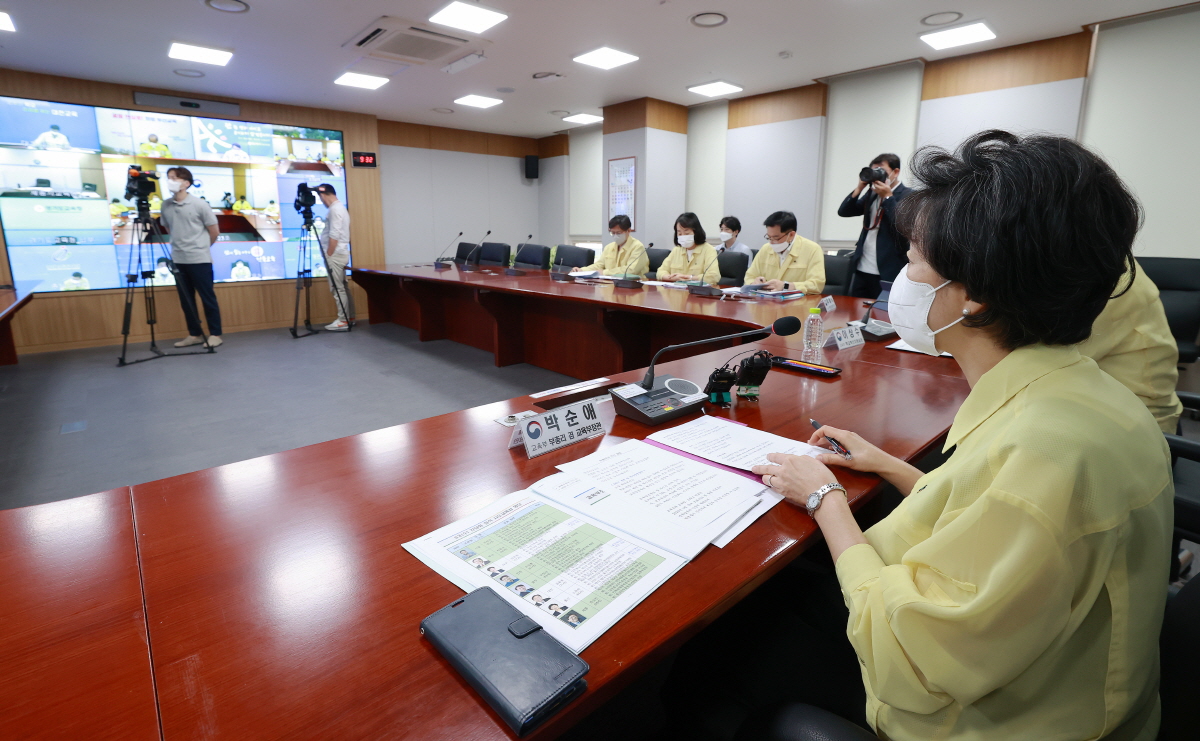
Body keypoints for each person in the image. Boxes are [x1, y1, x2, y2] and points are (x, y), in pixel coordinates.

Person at [666, 131, 1173, 741]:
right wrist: (890, 465)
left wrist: (825, 497)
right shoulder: (1077, 395)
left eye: (912, 263)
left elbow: (909, 662)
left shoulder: (1048, 455)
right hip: (1045, 674)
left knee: (710, 661)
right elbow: (982, 513)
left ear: (976, 298)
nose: (900, 282)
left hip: (977, 717)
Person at [1078, 266, 1182, 433]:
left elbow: (1048, 361)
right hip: (1098, 416)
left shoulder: (1111, 283)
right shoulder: (1104, 265)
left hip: (1139, 434)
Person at [159, 166, 223, 348]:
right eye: (168, 177)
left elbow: (214, 231)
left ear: (186, 183)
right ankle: (194, 334)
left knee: (207, 298)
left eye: (174, 178)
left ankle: (215, 334)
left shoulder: (199, 204)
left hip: (199, 259)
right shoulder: (166, 205)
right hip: (178, 259)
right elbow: (168, 228)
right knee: (186, 300)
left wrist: (202, 247)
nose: (170, 181)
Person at [838, 153, 911, 297]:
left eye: (880, 170)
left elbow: (903, 224)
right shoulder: (872, 194)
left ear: (895, 172)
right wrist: (859, 188)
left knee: (881, 314)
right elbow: (844, 211)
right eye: (874, 171)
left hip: (888, 269)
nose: (876, 175)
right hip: (862, 266)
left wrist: (888, 197)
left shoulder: (908, 195)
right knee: (855, 312)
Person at [744, 211, 824, 293]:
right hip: (767, 302)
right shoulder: (765, 249)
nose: (771, 242)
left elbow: (817, 284)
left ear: (791, 235)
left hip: (798, 303)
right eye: (769, 237)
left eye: (776, 238)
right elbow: (750, 276)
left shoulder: (812, 249)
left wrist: (786, 286)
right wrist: (754, 283)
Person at [315, 183, 355, 331]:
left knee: (337, 288)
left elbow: (334, 234)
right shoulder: (339, 208)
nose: (321, 202)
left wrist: (329, 253)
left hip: (335, 254)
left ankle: (343, 321)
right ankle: (349, 317)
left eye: (320, 198)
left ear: (324, 195)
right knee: (342, 287)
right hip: (340, 253)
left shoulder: (335, 209)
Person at [657, 212, 720, 284]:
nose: (683, 236)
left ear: (696, 232)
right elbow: (660, 271)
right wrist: (672, 278)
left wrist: (689, 278)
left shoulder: (708, 250)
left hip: (696, 293)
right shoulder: (676, 250)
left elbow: (713, 277)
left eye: (687, 233)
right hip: (676, 292)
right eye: (679, 233)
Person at [581, 215, 648, 277]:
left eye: (619, 233)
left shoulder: (637, 247)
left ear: (629, 230)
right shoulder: (609, 247)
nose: (615, 236)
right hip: (610, 284)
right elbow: (599, 265)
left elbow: (631, 270)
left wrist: (605, 273)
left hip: (633, 285)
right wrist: (582, 270)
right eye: (612, 233)